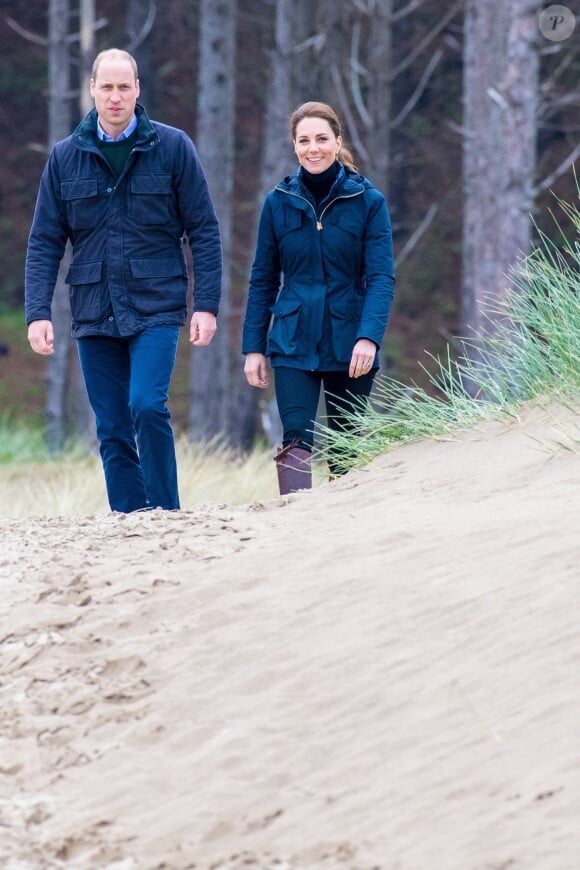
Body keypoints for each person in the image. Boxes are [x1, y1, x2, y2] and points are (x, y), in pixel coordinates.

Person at [25, 48, 222, 513]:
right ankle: (131, 524)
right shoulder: (64, 158)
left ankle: (165, 515)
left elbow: (204, 230)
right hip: (93, 308)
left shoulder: (173, 148)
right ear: (92, 90)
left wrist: (206, 303)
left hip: (156, 303)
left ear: (138, 90)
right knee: (112, 426)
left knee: (147, 406)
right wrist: (37, 313)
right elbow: (44, 242)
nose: (115, 97)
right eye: (107, 87)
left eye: (124, 87)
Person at [242, 101, 395, 494]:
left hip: (351, 343)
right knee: (295, 440)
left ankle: (342, 536)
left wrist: (369, 337)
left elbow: (381, 278)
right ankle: (295, 526)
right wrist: (253, 348)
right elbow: (262, 279)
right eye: (304, 140)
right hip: (293, 341)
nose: (314, 148)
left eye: (322, 139)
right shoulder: (278, 202)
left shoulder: (368, 202)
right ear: (294, 145)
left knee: (346, 448)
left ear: (337, 141)